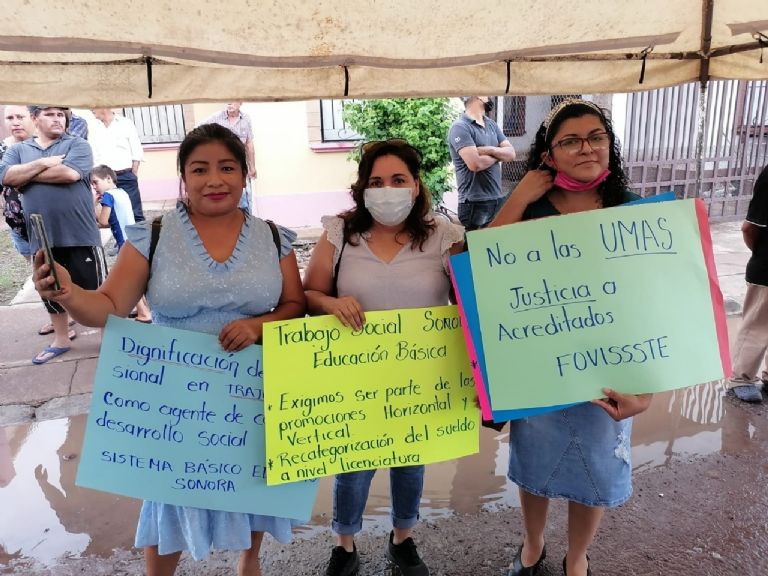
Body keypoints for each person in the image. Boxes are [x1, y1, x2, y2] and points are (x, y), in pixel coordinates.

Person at [33, 123, 306, 576]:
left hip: (252, 397)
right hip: (174, 405)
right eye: (200, 169)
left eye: (227, 167)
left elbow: (294, 305)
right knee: (169, 504)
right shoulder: (153, 236)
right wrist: (67, 292)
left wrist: (259, 326)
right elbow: (108, 307)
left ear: (244, 174)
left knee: (252, 486)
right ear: (184, 177)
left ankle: (249, 564)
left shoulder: (275, 237)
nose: (214, 180)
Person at [490, 99, 653, 576]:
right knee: (535, 461)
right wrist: (520, 195)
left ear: (610, 145)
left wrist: (645, 392)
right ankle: (533, 545)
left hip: (612, 370)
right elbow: (483, 267)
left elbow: (661, 311)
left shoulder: (634, 213)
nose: (586, 147)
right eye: (570, 140)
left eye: (596, 136)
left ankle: (577, 556)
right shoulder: (530, 210)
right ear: (549, 153)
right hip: (539, 366)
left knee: (597, 467)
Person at [303, 138, 465, 576]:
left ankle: (403, 539)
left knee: (410, 461)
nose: (386, 189)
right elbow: (310, 292)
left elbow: (469, 301)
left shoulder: (445, 236)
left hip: (420, 376)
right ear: (362, 188)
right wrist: (332, 304)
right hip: (354, 374)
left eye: (397, 179)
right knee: (353, 463)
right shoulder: (339, 233)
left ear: (416, 185)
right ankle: (345, 544)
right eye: (376, 181)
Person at [0, 105, 105, 364]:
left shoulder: (78, 144)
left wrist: (26, 175)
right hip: (41, 236)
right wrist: (43, 163)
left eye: (61, 114)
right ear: (35, 119)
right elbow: (6, 177)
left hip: (80, 233)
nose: (58, 119)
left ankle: (108, 339)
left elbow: (69, 173)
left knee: (97, 289)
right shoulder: (18, 150)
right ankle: (61, 339)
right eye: (50, 114)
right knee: (50, 288)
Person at [727, 164, 768, 403]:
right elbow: (749, 228)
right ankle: (741, 379)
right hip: (767, 268)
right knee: (758, 325)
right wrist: (762, 254)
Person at [91, 164, 152, 323]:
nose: (94, 187)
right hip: (134, 239)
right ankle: (143, 307)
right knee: (135, 277)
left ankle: (144, 313)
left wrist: (93, 204)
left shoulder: (108, 196)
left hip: (124, 242)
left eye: (96, 182)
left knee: (128, 281)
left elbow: (103, 221)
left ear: (108, 178)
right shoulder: (122, 192)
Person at [447, 96, 515, 231]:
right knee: (475, 250)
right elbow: (475, 164)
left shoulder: (491, 124)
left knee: (494, 246)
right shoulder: (460, 127)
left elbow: (511, 154)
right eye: (487, 95)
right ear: (478, 96)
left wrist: (488, 150)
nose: (490, 98)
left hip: (496, 198)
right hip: (474, 203)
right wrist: (499, 154)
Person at [91, 108, 145, 221]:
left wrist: (133, 174)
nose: (91, 109)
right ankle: (121, 239)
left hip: (125, 175)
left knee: (135, 214)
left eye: (93, 106)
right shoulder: (93, 127)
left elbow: (136, 151)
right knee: (112, 216)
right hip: (105, 180)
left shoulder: (125, 123)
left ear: (102, 106)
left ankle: (141, 238)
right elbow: (94, 155)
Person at [202, 102, 257, 212]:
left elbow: (249, 143)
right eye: (227, 100)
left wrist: (252, 167)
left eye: (233, 100)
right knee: (227, 194)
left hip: (240, 164)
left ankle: (245, 223)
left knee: (245, 198)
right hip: (222, 166)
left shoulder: (246, 119)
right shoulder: (216, 118)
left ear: (240, 102)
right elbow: (198, 131)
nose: (229, 103)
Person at [1, 105, 35, 261]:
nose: (15, 123)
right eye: (10, 118)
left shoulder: (46, 144)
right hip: (18, 225)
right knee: (39, 272)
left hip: (50, 222)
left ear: (33, 117)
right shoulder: (2, 148)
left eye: (20, 117)